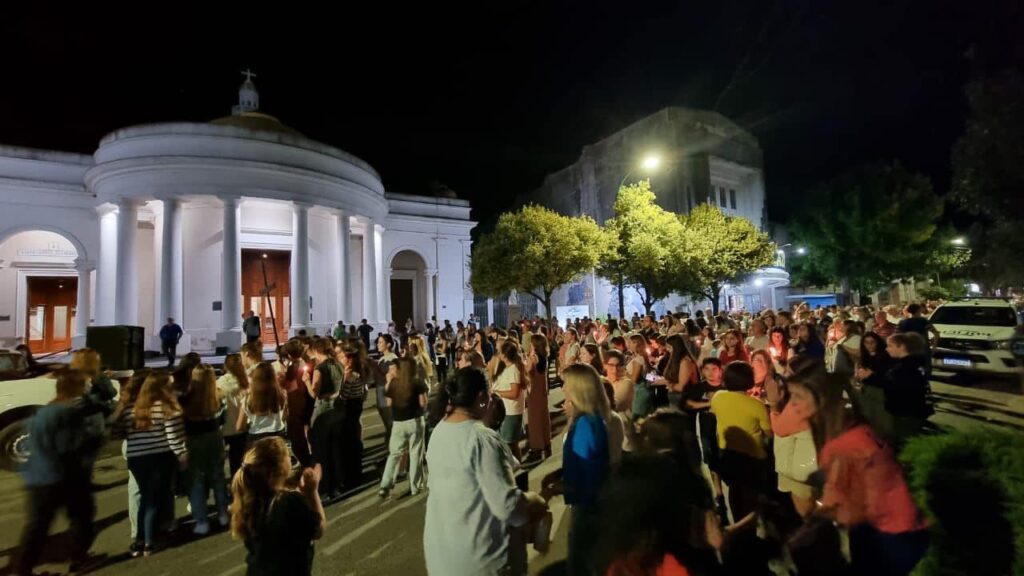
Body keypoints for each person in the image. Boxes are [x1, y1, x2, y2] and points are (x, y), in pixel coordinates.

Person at [800, 373, 929, 574]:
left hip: (889, 534)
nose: (794, 405)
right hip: (902, 526)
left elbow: (839, 500)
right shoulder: (859, 429)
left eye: (799, 397)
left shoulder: (842, 445)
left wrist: (812, 524)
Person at [423, 367, 547, 575]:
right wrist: (535, 500)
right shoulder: (482, 439)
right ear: (481, 397)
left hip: (443, 556)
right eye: (489, 396)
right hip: (481, 560)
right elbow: (508, 507)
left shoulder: (439, 431)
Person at [13, 369, 100, 574]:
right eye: (85, 385)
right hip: (64, 477)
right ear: (77, 388)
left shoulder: (44, 411)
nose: (88, 388)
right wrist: (94, 439)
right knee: (82, 518)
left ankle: (23, 569)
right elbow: (71, 447)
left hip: (37, 477)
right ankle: (79, 559)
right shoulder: (68, 413)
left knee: (37, 527)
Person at [230, 437, 326, 576]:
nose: (290, 458)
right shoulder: (290, 501)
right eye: (287, 454)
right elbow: (318, 529)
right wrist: (312, 491)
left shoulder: (251, 501)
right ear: (280, 468)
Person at [119, 372, 187, 556]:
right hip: (159, 457)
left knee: (145, 498)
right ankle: (149, 541)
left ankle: (139, 540)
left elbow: (120, 432)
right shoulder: (164, 407)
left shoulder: (131, 408)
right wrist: (182, 455)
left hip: (136, 458)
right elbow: (173, 438)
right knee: (154, 499)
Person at [709, 362, 772, 532]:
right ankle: (751, 528)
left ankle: (738, 525)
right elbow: (769, 433)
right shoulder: (756, 405)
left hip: (728, 452)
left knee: (735, 491)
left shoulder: (718, 397)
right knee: (752, 495)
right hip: (753, 456)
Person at [561, 364, 611, 576]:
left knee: (581, 563)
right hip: (592, 504)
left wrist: (559, 487)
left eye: (566, 384)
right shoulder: (592, 419)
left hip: (587, 507)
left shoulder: (585, 426)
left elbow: (586, 472)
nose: (563, 389)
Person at [182, 364, 230, 534]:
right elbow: (223, 418)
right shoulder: (219, 396)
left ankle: (202, 521)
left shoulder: (186, 398)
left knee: (196, 480)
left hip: (193, 439)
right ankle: (223, 513)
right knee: (218, 477)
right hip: (214, 437)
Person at [378, 357, 429, 499]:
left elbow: (388, 403)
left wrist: (388, 383)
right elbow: (423, 402)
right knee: (416, 453)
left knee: (394, 454)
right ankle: (415, 486)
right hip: (415, 421)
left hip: (398, 423)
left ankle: (386, 484)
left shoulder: (394, 383)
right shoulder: (417, 382)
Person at [304, 340, 344, 500]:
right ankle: (337, 484)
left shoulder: (320, 369)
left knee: (322, 450)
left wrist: (307, 381)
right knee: (335, 448)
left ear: (317, 351)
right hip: (338, 407)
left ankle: (327, 487)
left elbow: (314, 392)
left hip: (323, 408)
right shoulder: (338, 365)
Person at [854, 331, 895, 439]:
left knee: (880, 418)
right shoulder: (865, 356)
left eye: (872, 342)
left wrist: (867, 373)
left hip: (879, 390)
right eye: (866, 342)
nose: (869, 345)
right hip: (866, 389)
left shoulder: (883, 356)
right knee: (867, 417)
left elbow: (870, 373)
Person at [492, 340, 527, 461]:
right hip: (505, 410)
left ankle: (516, 466)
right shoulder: (504, 368)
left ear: (505, 354)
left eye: (500, 352)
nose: (498, 354)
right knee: (510, 443)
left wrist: (497, 393)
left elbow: (514, 393)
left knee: (510, 444)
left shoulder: (513, 370)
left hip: (511, 411)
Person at [239, 362, 287, 449]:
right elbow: (285, 416)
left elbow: (239, 426)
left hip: (256, 437)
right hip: (278, 435)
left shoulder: (248, 399)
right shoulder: (281, 395)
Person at [218, 353, 250, 479]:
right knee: (237, 462)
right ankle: (237, 482)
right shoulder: (246, 382)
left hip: (224, 426)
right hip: (241, 426)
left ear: (226, 366)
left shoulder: (220, 382)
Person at [526, 333, 552, 460]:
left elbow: (527, 370)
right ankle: (546, 444)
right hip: (542, 390)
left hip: (534, 390)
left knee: (534, 419)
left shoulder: (533, 357)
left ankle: (537, 447)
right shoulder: (544, 357)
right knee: (543, 417)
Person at [375, 334, 398, 447]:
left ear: (388, 344)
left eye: (380, 342)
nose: (378, 345)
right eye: (378, 342)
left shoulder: (392, 359)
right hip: (380, 392)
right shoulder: (382, 359)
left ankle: (394, 446)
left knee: (390, 422)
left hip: (386, 393)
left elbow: (393, 378)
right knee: (387, 422)